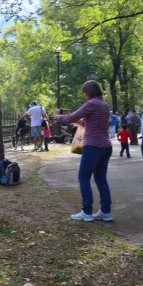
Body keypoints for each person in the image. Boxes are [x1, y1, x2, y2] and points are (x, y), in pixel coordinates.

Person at [53, 80, 113, 222]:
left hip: (93, 146)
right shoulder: (104, 104)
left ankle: (86, 212)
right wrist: (72, 118)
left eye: (84, 92)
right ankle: (106, 211)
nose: (84, 95)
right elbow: (85, 122)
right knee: (101, 179)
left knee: (83, 178)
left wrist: (57, 116)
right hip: (106, 146)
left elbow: (69, 118)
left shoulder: (91, 104)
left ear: (89, 92)